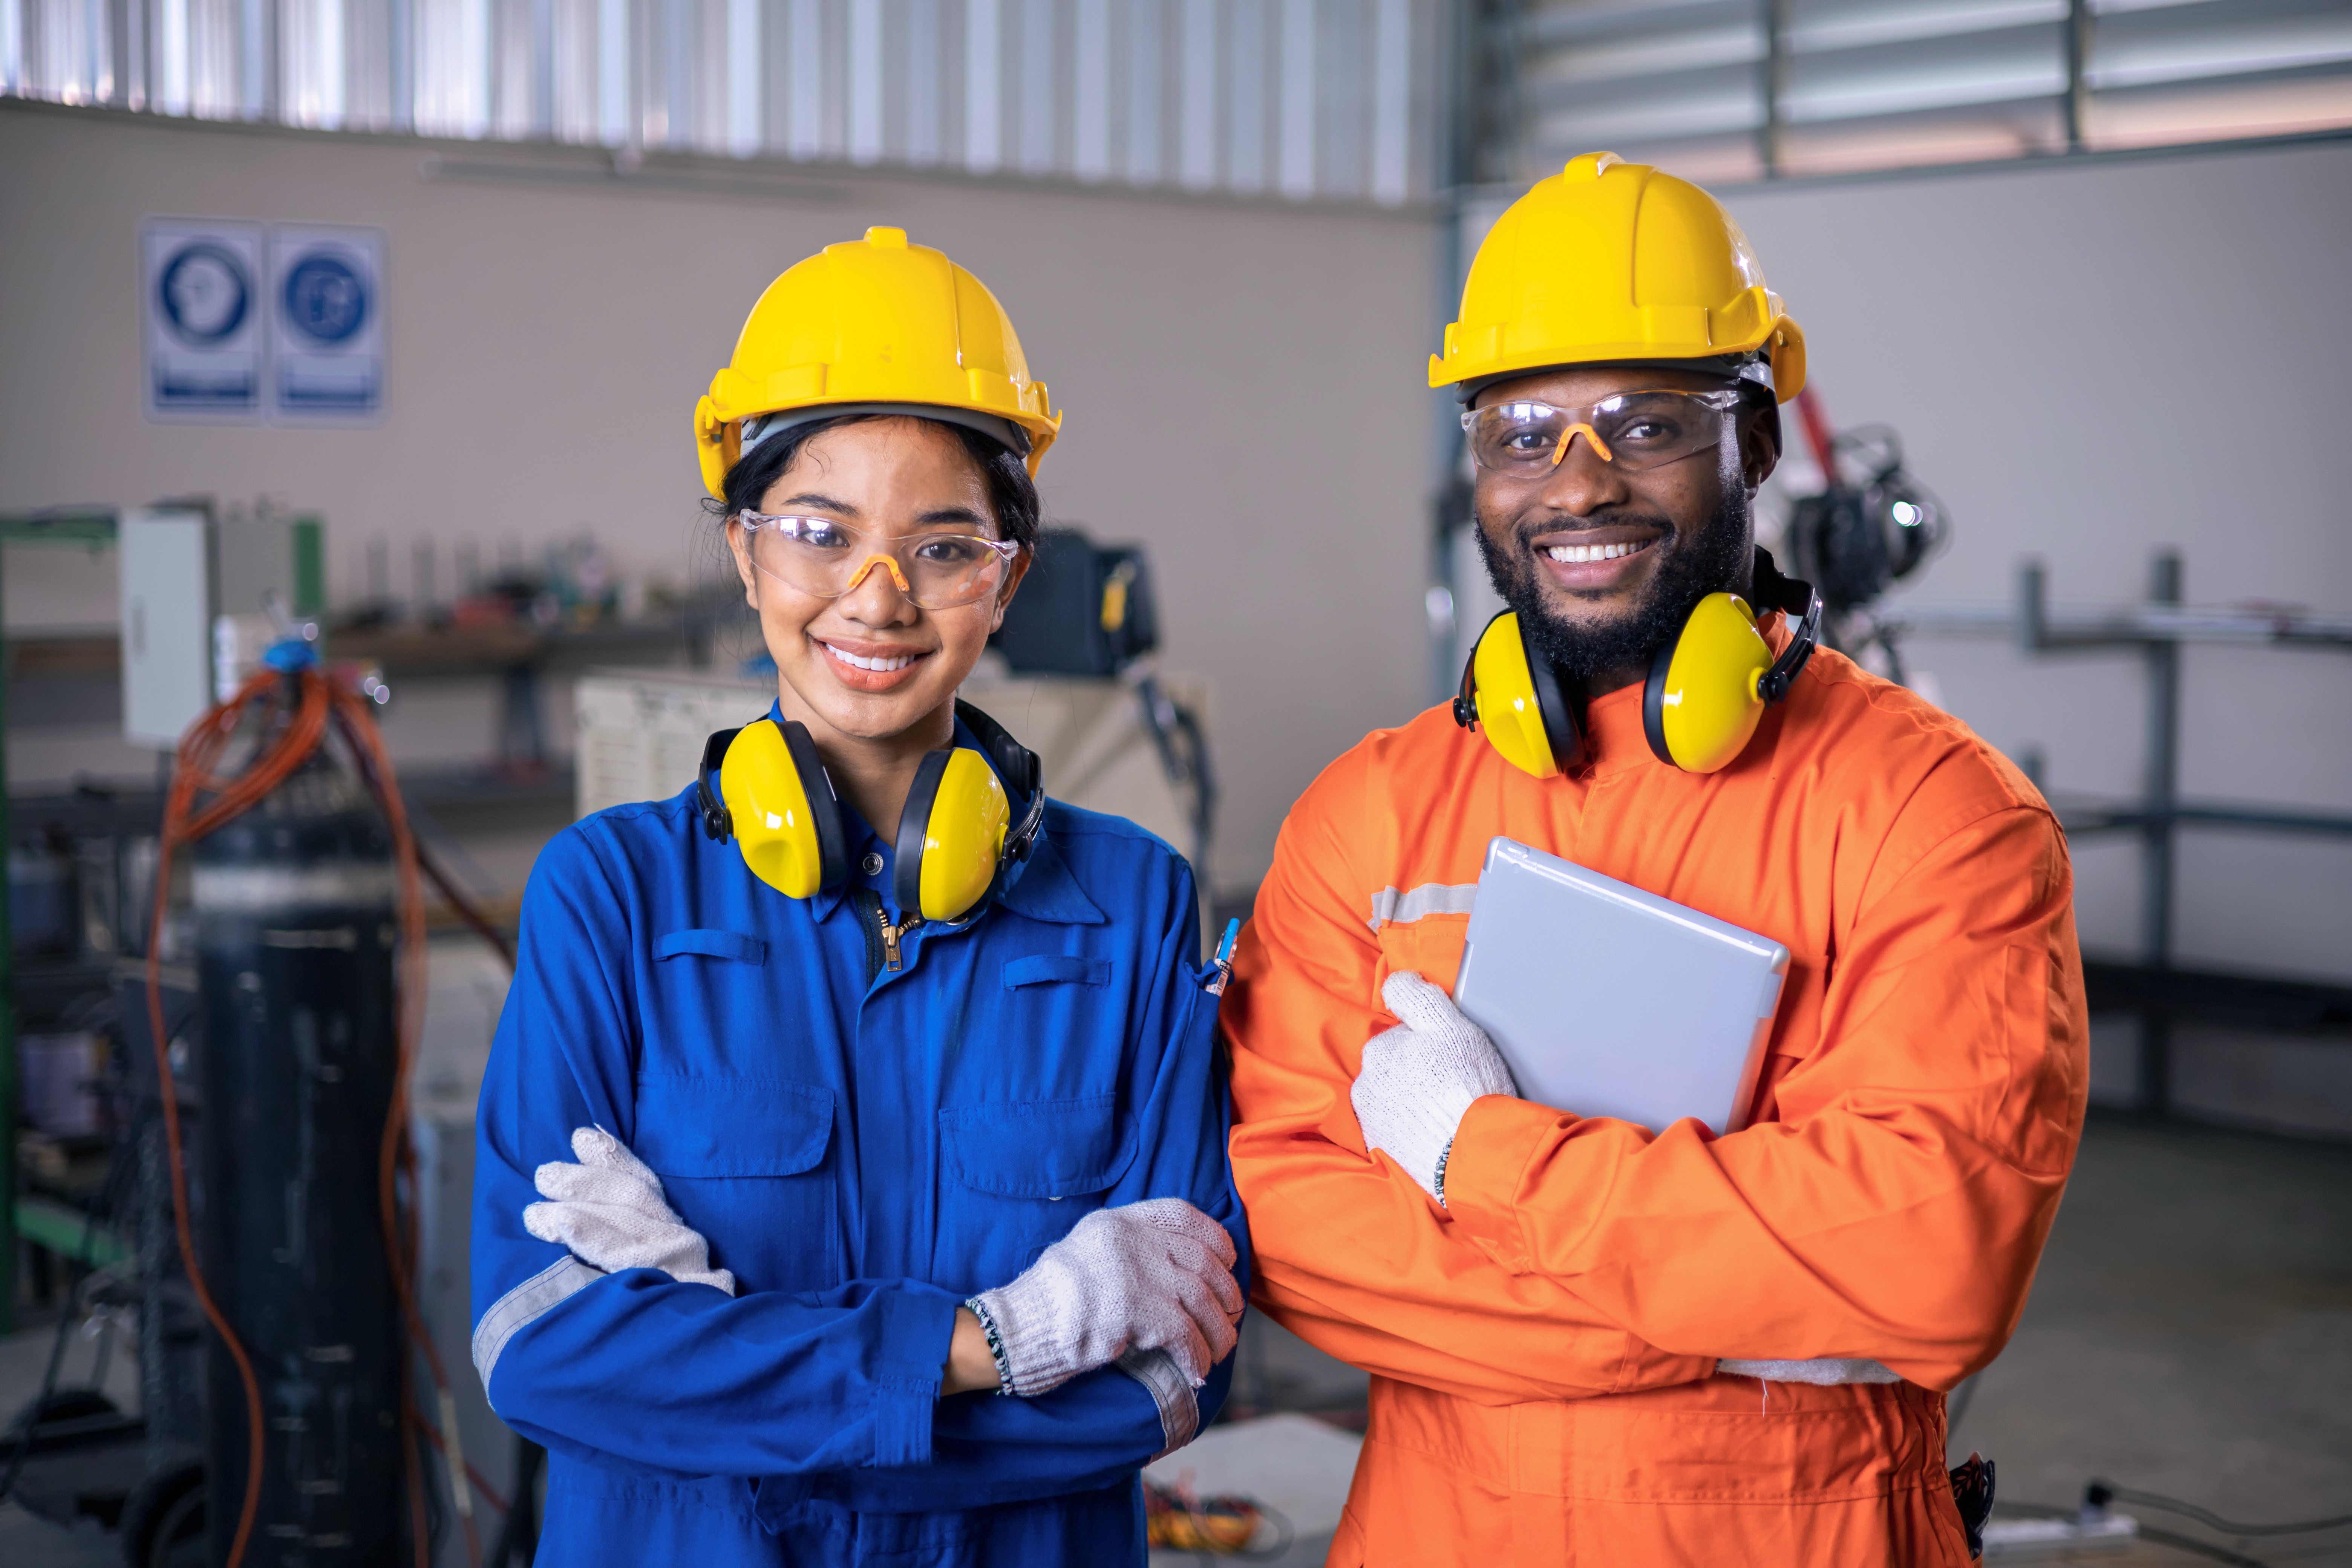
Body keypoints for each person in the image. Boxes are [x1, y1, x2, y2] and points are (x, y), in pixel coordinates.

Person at [1221, 153, 2086, 1564]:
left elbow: (1930, 1260)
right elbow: (1286, 1237)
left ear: (1753, 445)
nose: (1579, 482)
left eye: (1646, 423)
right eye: (1522, 433)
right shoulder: (1368, 811)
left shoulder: (1937, 813)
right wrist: (1731, 1327)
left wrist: (1473, 1154)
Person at [470, 226, 1246, 1568]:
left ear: (1007, 576)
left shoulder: (1134, 908)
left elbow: (1169, 1379)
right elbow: (540, 1346)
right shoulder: (610, 897)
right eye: (818, 534)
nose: (877, 599)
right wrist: (983, 1349)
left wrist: (715, 1377)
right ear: (742, 551)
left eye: (945, 547)